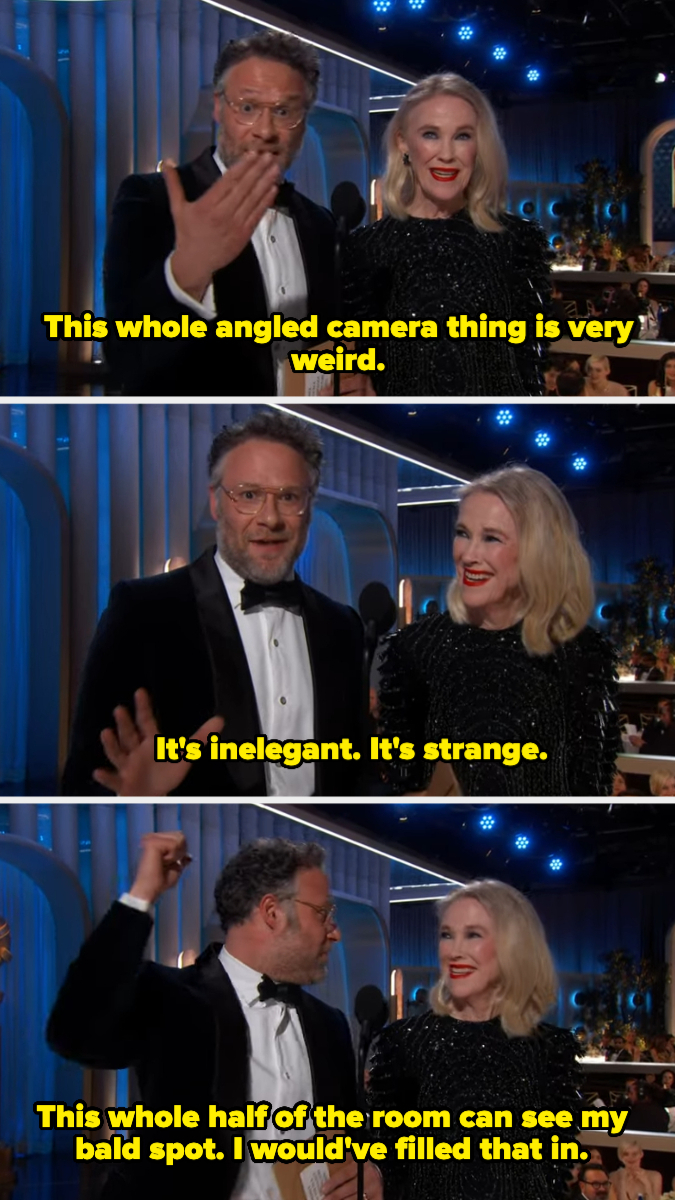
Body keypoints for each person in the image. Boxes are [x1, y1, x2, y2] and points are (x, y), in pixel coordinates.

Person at [47, 833, 381, 1200]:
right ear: (272, 913)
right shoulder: (172, 998)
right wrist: (141, 895)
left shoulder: (330, 1025)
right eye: (324, 914)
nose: (335, 933)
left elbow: (349, 1140)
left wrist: (370, 1169)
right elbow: (72, 1031)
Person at [62, 412, 364, 796]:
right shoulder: (142, 611)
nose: (269, 518)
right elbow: (85, 779)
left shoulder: (343, 628)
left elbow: (353, 775)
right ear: (216, 502)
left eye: (289, 497)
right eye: (249, 495)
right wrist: (131, 800)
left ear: (310, 506)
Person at [104, 31, 338, 396]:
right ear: (218, 108)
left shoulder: (319, 224)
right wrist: (187, 273)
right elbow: (125, 361)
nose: (265, 130)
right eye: (247, 108)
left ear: (304, 120)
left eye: (283, 111)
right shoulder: (150, 199)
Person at [377, 465, 619, 796]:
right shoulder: (416, 647)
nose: (468, 555)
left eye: (491, 538)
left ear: (539, 549)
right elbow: (398, 786)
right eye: (463, 533)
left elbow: (590, 795)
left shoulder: (584, 655)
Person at [368, 880, 581, 1199]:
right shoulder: (405, 1042)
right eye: (447, 935)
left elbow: (552, 1174)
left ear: (513, 946)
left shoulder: (550, 1048)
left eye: (473, 935)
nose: (454, 951)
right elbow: (391, 1163)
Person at [343, 74, 550, 396]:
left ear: (479, 146)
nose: (447, 154)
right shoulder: (365, 249)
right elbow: (354, 363)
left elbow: (530, 366)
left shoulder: (519, 241)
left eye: (463, 136)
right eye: (430, 135)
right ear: (402, 142)